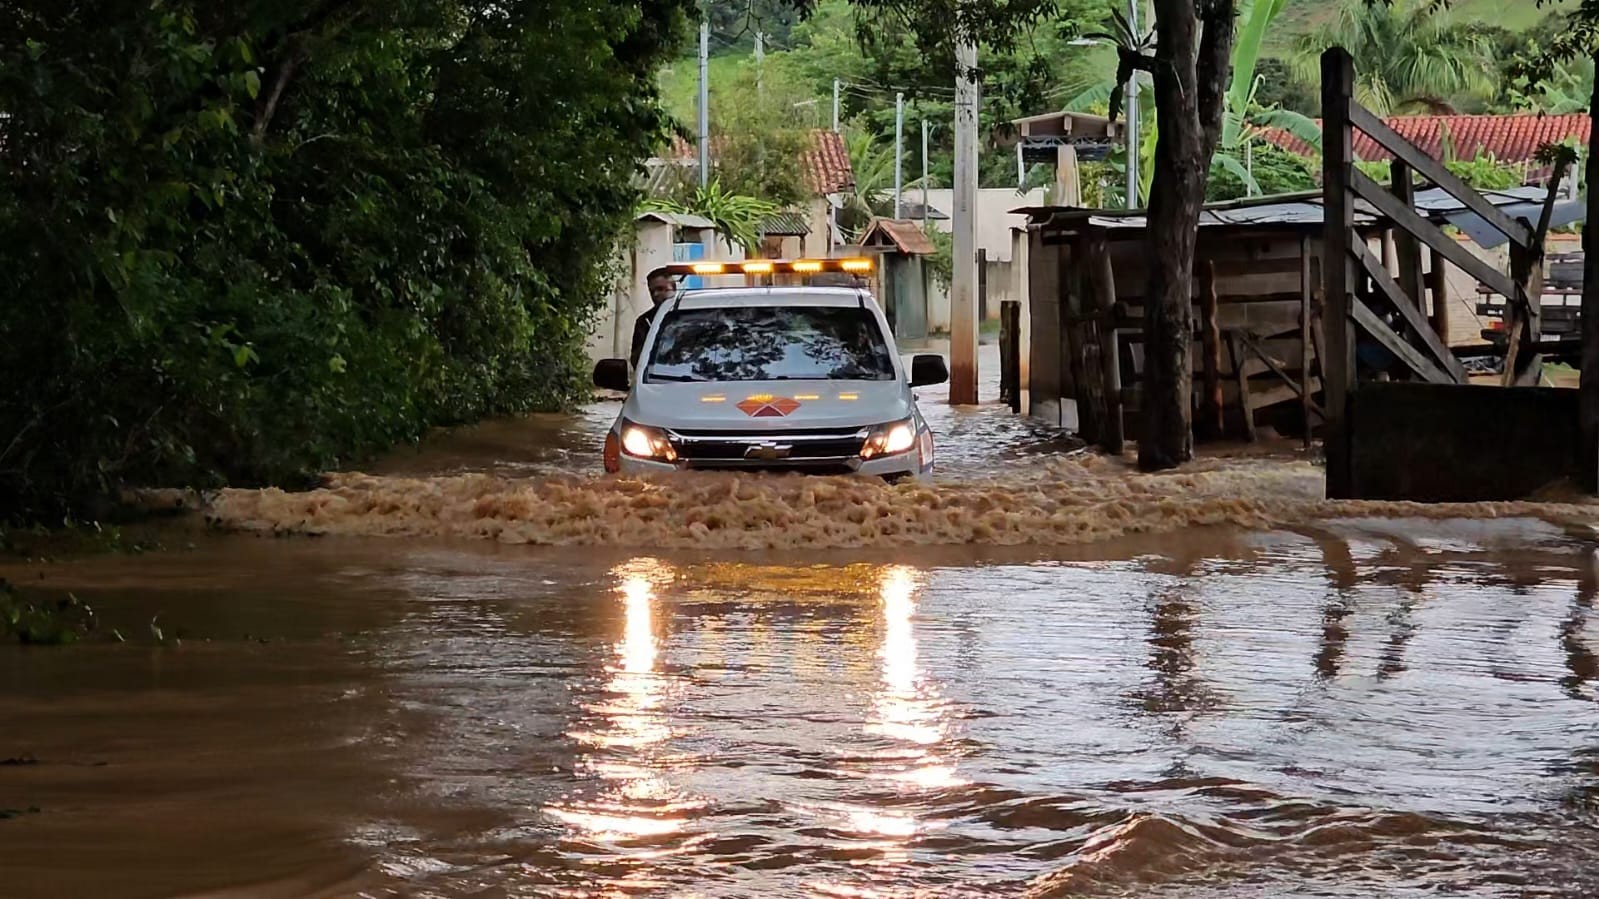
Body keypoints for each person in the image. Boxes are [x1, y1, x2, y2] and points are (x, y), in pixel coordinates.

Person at [631, 272, 677, 369]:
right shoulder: (645, 321)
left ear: (674, 289)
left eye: (660, 289)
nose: (655, 294)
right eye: (652, 291)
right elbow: (637, 361)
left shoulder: (694, 315)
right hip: (656, 377)